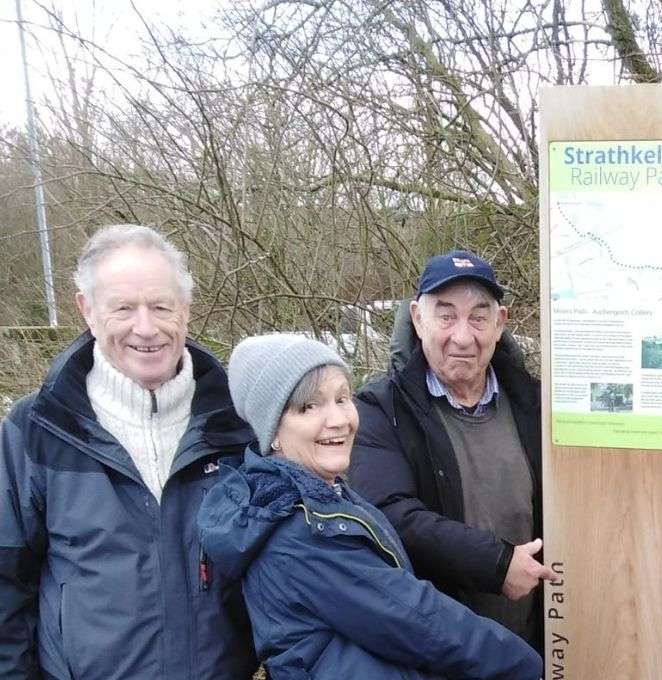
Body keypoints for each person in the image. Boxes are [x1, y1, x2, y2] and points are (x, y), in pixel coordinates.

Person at [198, 333, 542, 680]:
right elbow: (413, 619)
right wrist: (522, 663)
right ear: (270, 429)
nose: (338, 419)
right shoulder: (297, 531)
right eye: (309, 406)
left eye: (342, 399)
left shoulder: (326, 498)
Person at [0, 225, 257, 679]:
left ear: (185, 310)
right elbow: (5, 590)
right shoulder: (36, 430)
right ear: (88, 311)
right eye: (123, 308)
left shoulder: (237, 424)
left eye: (161, 306)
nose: (146, 328)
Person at [349, 250, 551, 648]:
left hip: (535, 644)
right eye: (446, 316)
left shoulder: (536, 403)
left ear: (500, 323)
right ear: (417, 318)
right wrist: (497, 564)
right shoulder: (381, 410)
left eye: (478, 317)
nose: (463, 336)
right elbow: (392, 515)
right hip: (440, 651)